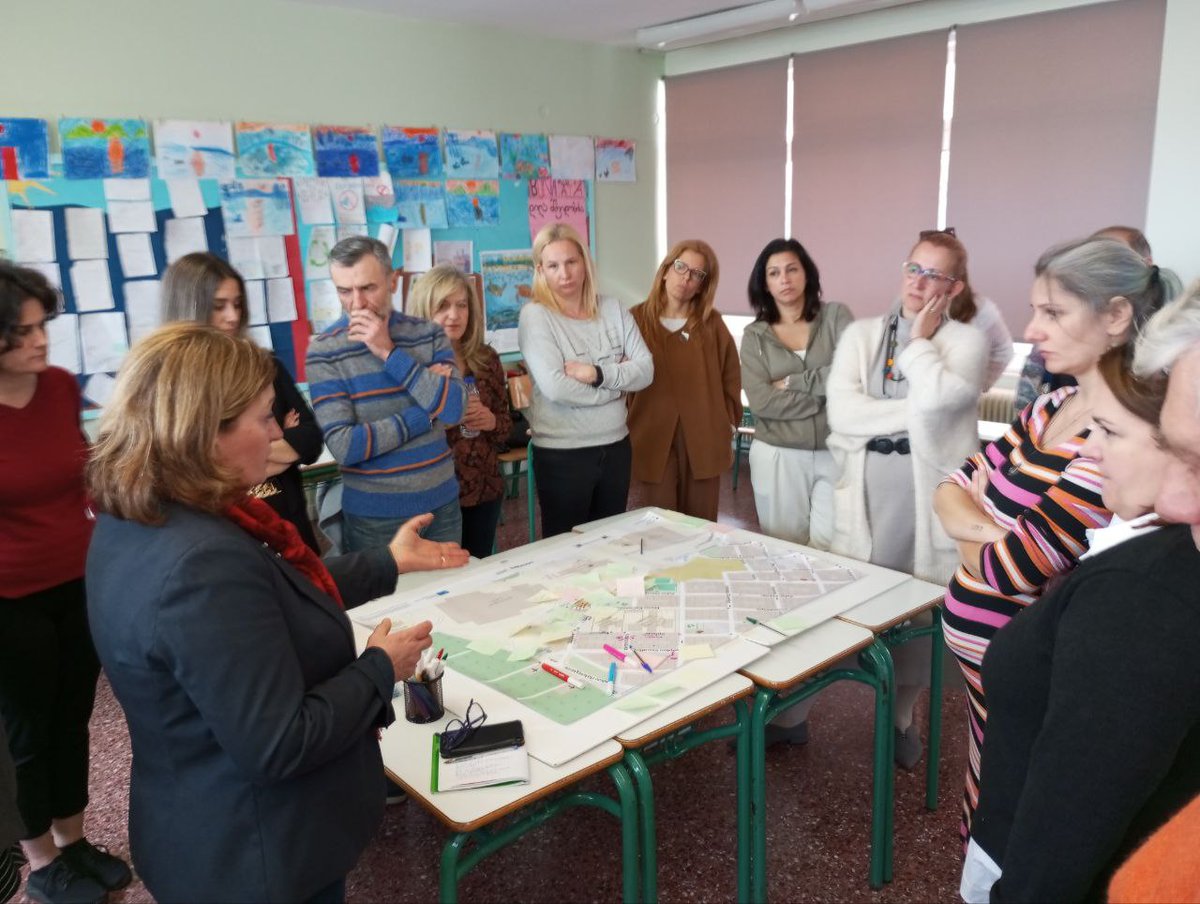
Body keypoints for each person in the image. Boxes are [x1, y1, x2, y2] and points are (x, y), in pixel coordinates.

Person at [85, 323, 467, 902]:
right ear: (204, 431)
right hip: (256, 855)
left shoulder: (144, 515)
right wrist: (379, 668)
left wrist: (388, 564)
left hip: (200, 819)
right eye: (264, 418)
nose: (277, 433)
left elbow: (271, 592)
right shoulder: (201, 565)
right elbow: (280, 741)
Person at [934, 236, 1176, 842]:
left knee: (1018, 833)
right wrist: (996, 538)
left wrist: (981, 532)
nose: (1030, 327)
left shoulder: (1116, 436)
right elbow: (952, 485)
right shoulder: (1057, 402)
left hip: (1032, 690)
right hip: (991, 689)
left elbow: (1012, 571)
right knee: (985, 807)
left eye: (1053, 312)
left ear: (1116, 316)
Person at [960, 338, 1200, 901]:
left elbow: (1067, 828)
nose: (1086, 452)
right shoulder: (1144, 555)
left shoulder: (1140, 598)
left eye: (1110, 433)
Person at [813, 231, 987, 765]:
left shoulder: (966, 343)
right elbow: (844, 415)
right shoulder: (861, 335)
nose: (920, 281)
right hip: (865, 493)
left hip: (924, 498)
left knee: (917, 611)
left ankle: (902, 717)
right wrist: (914, 414)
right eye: (914, 268)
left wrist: (918, 343)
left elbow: (939, 402)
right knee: (848, 604)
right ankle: (799, 712)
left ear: (954, 286)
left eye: (935, 274)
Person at [0, 262, 130, 904]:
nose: (41, 340)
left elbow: (83, 474)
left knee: (72, 714)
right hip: (9, 600)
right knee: (27, 729)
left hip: (77, 582)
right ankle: (41, 859)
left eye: (42, 325)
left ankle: (75, 840)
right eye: (22, 331)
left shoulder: (55, 387)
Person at [306, 236, 467, 551]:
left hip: (441, 504)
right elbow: (345, 446)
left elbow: (454, 410)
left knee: (451, 597)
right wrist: (425, 412)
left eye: (368, 288)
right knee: (388, 601)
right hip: (374, 518)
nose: (357, 303)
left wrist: (389, 353)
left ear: (393, 282)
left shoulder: (429, 335)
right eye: (344, 291)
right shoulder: (324, 352)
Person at [163, 252, 325, 552]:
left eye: (238, 304)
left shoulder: (265, 365)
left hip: (290, 526)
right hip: (231, 540)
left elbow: (311, 440)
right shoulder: (172, 387)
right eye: (218, 307)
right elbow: (198, 470)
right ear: (189, 308)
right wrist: (279, 452)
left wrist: (241, 459)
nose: (233, 317)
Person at [517, 223, 653, 538]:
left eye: (571, 262)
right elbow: (556, 388)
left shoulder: (613, 308)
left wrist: (596, 374)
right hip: (563, 454)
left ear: (584, 263)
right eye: (553, 265)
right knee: (566, 550)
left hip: (616, 447)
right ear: (541, 270)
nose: (564, 273)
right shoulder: (535, 316)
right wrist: (617, 387)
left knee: (609, 543)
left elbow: (646, 370)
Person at [740, 237, 853, 547]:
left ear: (807, 273)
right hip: (778, 454)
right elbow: (761, 403)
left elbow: (853, 375)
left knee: (834, 545)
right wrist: (826, 396)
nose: (784, 279)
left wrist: (794, 382)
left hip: (834, 451)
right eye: (774, 273)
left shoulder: (835, 317)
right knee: (784, 548)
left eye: (792, 269)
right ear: (764, 284)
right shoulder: (754, 336)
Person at [627, 240, 741, 521]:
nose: (686, 278)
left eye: (697, 274)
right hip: (651, 436)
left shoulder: (712, 323)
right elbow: (620, 379)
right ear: (666, 270)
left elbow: (731, 377)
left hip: (704, 439)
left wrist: (726, 421)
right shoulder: (636, 319)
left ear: (703, 285)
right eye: (680, 267)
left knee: (701, 527)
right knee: (659, 525)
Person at [407, 265, 512, 558]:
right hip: (434, 496)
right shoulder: (410, 365)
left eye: (461, 305)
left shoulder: (487, 359)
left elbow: (506, 427)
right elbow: (401, 435)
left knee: (477, 573)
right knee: (440, 582)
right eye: (443, 305)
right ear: (424, 310)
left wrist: (490, 420)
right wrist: (443, 413)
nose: (454, 315)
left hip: (484, 488)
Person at [1012, 224, 1153, 413]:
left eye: (1053, 313)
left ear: (1116, 315)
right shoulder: (1047, 407)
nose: (1030, 333)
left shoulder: (1135, 426)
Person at [925, 229, 1013, 389]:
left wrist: (978, 386)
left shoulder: (982, 310)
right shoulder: (910, 303)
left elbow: (1004, 351)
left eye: (933, 273)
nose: (922, 278)